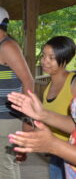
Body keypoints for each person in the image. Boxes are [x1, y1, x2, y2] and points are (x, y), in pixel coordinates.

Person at [9, 36, 76, 179]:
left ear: (65, 59)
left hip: (69, 151)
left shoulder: (73, 83)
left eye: (51, 57)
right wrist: (26, 142)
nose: (44, 61)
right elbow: (45, 122)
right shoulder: (48, 87)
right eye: (44, 55)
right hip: (54, 152)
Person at [0, 6, 34, 179]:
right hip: (5, 116)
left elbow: (28, 81)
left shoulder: (7, 46)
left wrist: (27, 118)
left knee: (2, 162)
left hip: (11, 116)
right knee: (9, 161)